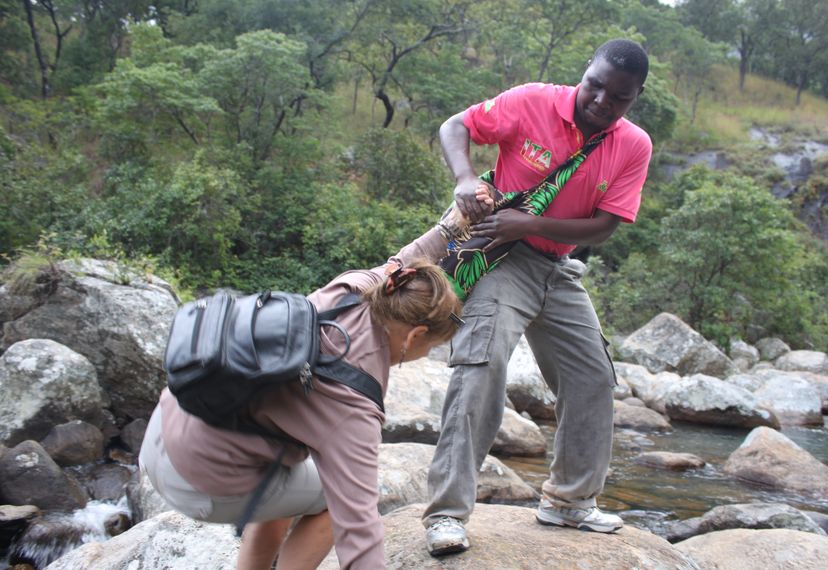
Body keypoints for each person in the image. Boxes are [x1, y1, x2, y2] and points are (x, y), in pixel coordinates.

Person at [421, 38, 653, 556]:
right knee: (482, 362)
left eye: (617, 97)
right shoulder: (532, 100)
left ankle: (569, 502)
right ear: (584, 72)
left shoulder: (633, 145)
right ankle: (446, 514)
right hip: (502, 257)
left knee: (592, 376)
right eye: (594, 85)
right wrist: (464, 178)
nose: (599, 101)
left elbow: (604, 226)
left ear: (634, 98)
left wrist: (535, 221)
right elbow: (455, 126)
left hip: (558, 265)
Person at [139, 249, 463, 570]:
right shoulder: (355, 405)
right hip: (193, 480)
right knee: (327, 502)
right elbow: (358, 530)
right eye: (430, 346)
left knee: (296, 485)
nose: (426, 353)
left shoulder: (353, 287)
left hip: (164, 426)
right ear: (415, 335)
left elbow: (407, 258)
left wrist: (453, 226)